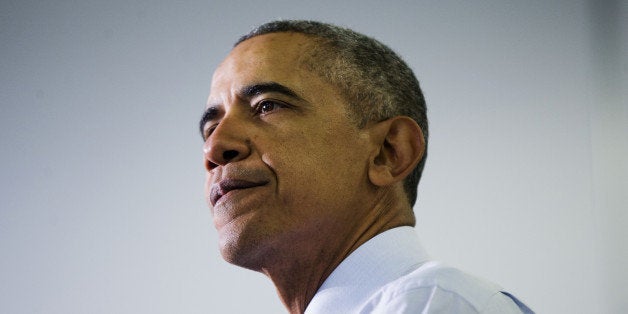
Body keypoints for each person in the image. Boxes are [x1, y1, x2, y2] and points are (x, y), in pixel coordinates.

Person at [199, 20, 533, 314]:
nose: (213, 148)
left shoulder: (432, 304)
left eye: (267, 106)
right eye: (210, 128)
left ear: (388, 153)